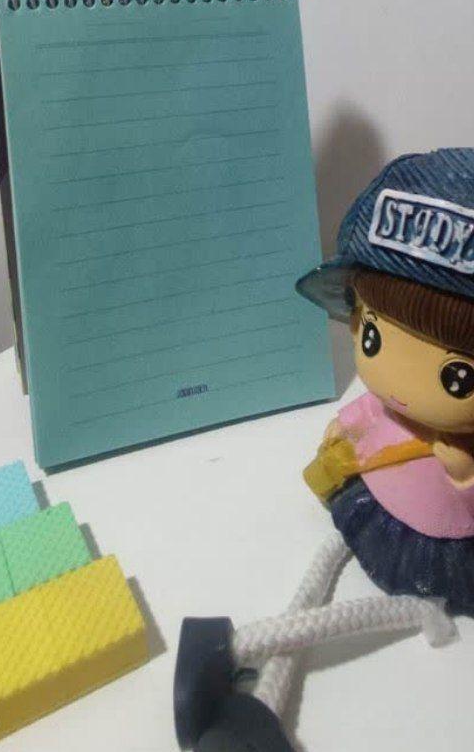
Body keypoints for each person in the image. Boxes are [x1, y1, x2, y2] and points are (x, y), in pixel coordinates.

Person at [173, 148, 474, 752]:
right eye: (372, 337)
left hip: (448, 538)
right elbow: (359, 426)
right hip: (382, 511)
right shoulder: (383, 411)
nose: (399, 385)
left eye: (455, 377)